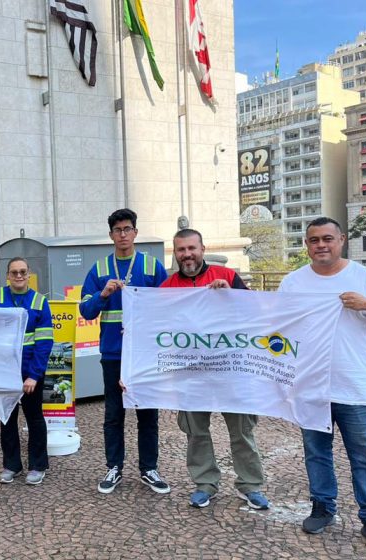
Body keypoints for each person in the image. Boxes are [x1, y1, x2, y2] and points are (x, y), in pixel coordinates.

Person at [279, 217, 366, 554]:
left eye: (328, 239)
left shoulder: (365, 278)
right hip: (310, 388)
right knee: (316, 454)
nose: (321, 245)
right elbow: (274, 325)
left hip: (354, 386)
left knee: (364, 457)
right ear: (306, 245)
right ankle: (323, 506)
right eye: (314, 240)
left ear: (342, 240)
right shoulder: (293, 283)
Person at [161, 229, 269, 510]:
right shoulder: (167, 287)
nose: (187, 254)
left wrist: (231, 295)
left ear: (203, 248)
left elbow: (254, 314)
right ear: (175, 253)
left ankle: (250, 485)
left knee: (242, 431)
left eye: (191, 248)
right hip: (191, 373)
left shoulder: (228, 277)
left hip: (230, 370)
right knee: (196, 432)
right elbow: (156, 328)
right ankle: (205, 483)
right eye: (181, 250)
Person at [78, 208, 170, 495]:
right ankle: (114, 467)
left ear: (135, 233)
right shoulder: (100, 269)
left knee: (147, 413)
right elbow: (85, 310)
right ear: (111, 235)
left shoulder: (152, 266)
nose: (123, 235)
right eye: (117, 230)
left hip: (143, 354)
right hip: (113, 353)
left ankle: (148, 468)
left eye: (127, 229)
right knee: (113, 414)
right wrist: (103, 295)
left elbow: (169, 307)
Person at [0, 257, 53, 485]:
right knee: (7, 420)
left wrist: (34, 374)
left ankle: (37, 465)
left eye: (23, 272)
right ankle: (11, 465)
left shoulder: (40, 301)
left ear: (29, 274)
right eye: (14, 272)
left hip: (29, 372)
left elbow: (44, 342)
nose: (19, 276)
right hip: (3, 372)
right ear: (7, 276)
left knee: (34, 419)